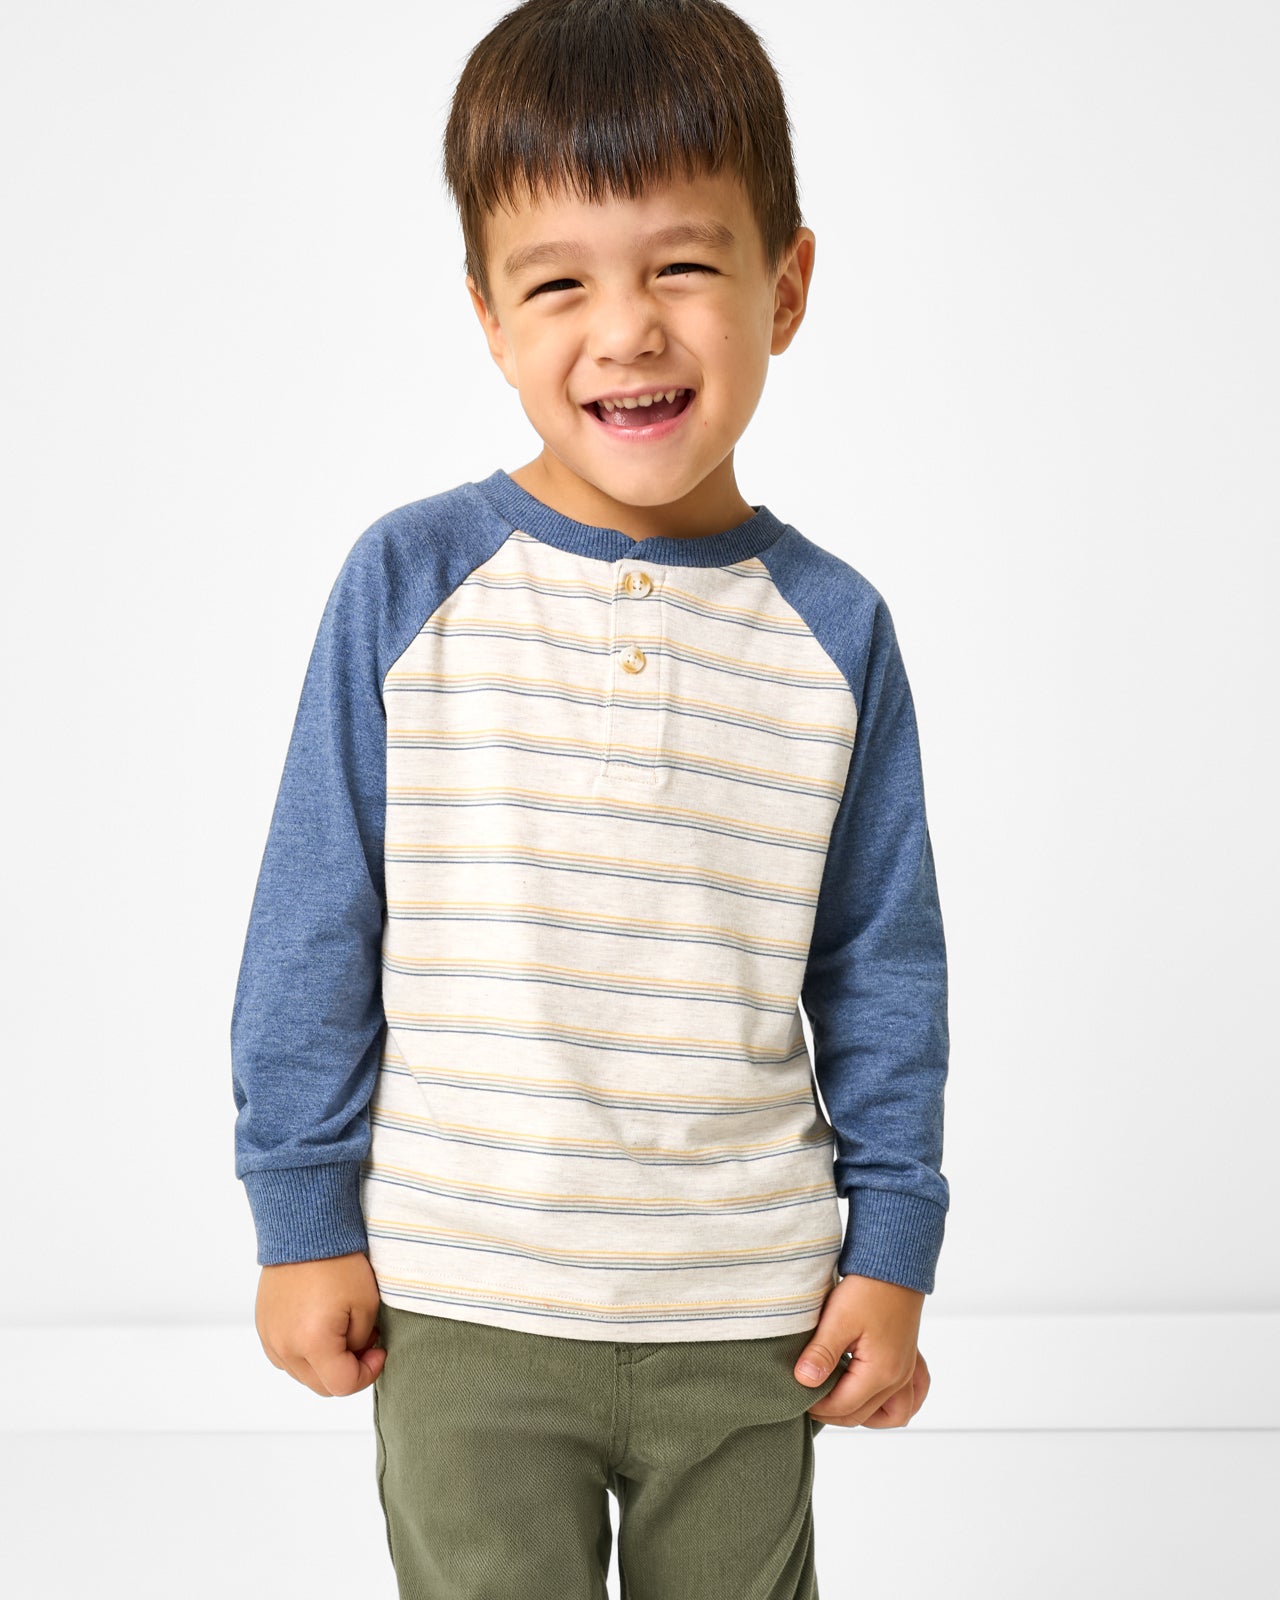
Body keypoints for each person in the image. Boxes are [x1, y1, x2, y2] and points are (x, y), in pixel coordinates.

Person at [230, 1, 951, 1594]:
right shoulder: (409, 584)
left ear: (789, 285)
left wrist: (891, 1250)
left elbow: (882, 970)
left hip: (747, 1309)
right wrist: (300, 1212)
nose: (625, 330)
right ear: (490, 317)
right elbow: (313, 920)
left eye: (682, 268)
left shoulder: (837, 630)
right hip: (467, 1300)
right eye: (560, 282)